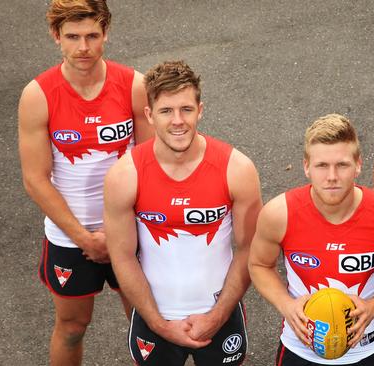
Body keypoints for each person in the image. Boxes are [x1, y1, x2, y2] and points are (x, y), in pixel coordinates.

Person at [17, 1, 154, 364]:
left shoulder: (134, 85)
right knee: (73, 326)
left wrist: (119, 233)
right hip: (70, 237)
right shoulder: (38, 95)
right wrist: (85, 238)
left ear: (106, 32)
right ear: (56, 36)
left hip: (129, 230)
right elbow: (35, 179)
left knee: (148, 327)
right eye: (72, 37)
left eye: (93, 35)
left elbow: (151, 164)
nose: (83, 47)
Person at [103, 60, 262, 365]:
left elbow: (249, 249)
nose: (178, 121)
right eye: (166, 111)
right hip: (155, 318)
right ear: (149, 115)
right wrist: (158, 323)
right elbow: (121, 256)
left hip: (220, 315)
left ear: (200, 109)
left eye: (186, 109)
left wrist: (218, 315)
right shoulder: (124, 175)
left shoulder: (237, 168)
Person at [248, 114, 374, 366]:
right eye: (322, 165)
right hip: (300, 351)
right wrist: (286, 305)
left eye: (342, 165)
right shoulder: (280, 214)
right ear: (306, 166)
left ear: (358, 165)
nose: (332, 176)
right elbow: (258, 265)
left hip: (366, 351)